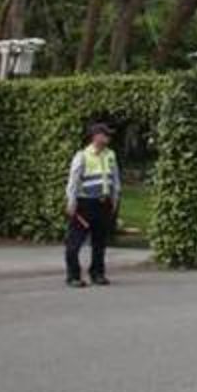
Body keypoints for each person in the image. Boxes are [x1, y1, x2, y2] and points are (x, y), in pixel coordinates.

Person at [64, 122, 121, 288]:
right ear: (96, 136)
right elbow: (73, 181)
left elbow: (115, 178)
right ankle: (73, 276)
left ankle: (97, 273)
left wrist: (115, 198)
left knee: (100, 242)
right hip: (85, 204)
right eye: (105, 134)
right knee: (75, 242)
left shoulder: (110, 155)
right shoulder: (82, 156)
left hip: (103, 203)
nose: (108, 137)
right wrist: (71, 202)